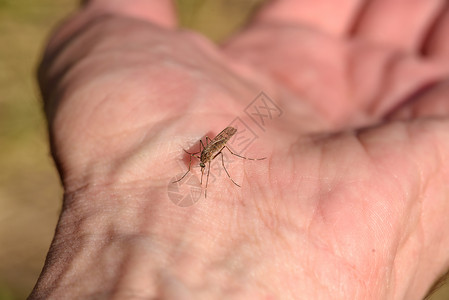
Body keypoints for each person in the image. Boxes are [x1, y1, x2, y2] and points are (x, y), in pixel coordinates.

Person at [30, 0, 449, 299]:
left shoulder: (210, 150)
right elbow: (203, 151)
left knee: (220, 159)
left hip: (220, 145)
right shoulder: (202, 152)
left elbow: (210, 150)